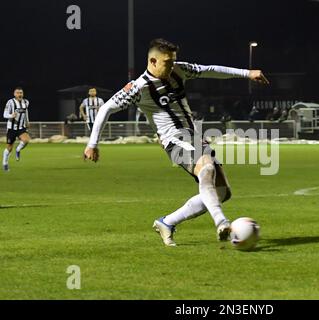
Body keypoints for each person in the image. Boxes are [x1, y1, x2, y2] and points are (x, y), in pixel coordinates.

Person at [83, 38, 269, 246]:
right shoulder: (138, 88)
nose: (172, 66)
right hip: (174, 139)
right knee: (206, 169)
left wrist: (247, 73)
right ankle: (221, 222)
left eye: (173, 61)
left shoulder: (179, 70)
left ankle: (167, 222)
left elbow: (210, 70)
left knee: (222, 192)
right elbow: (106, 108)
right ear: (153, 61)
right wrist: (92, 144)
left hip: (193, 136)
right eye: (167, 62)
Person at [2, 87, 31, 172]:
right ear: (14, 94)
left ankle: (18, 150)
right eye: (18, 93)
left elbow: (26, 112)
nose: (20, 94)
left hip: (21, 127)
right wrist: (11, 115)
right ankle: (5, 163)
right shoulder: (10, 102)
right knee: (9, 148)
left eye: (21, 93)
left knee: (26, 140)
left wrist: (27, 121)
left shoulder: (26, 102)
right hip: (11, 128)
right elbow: (4, 114)